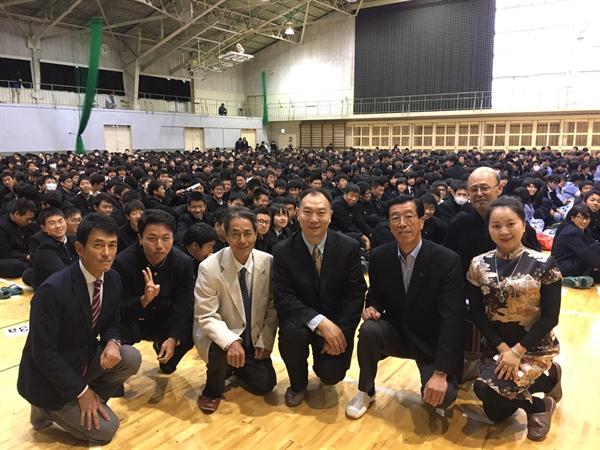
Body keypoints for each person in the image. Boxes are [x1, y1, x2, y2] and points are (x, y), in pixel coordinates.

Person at [17, 214, 142, 444]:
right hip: (47, 376)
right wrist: (81, 392)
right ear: (79, 248)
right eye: (98, 245)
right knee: (108, 429)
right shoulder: (53, 290)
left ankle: (83, 400)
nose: (107, 253)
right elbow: (43, 354)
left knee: (130, 357)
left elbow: (113, 321)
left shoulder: (112, 278)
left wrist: (113, 342)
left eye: (112, 245)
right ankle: (47, 406)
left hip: (80, 359)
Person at [346, 196, 464, 419]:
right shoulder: (380, 256)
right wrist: (371, 307)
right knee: (369, 330)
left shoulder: (446, 260)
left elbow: (452, 319)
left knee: (443, 397)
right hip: (398, 333)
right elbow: (375, 295)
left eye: (409, 216)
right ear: (390, 225)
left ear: (422, 221)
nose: (402, 223)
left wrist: (440, 373)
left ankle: (436, 377)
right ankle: (365, 390)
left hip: (431, 340)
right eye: (395, 218)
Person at [467, 197, 562, 441]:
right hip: (496, 347)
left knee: (486, 390)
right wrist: (503, 349)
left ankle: (540, 403)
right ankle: (544, 385)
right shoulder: (478, 264)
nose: (504, 231)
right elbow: (476, 312)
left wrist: (518, 352)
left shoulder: (544, 263)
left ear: (524, 225)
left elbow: (550, 318)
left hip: (533, 347)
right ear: (488, 229)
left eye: (511, 224)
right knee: (495, 411)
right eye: (496, 225)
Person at [273, 188, 367, 407]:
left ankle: (324, 360)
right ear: (297, 214)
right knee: (290, 333)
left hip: (337, 321)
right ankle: (298, 384)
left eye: (321, 212)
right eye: (307, 212)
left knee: (331, 375)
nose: (314, 219)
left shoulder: (349, 247)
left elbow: (355, 294)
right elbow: (284, 297)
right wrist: (320, 323)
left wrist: (340, 331)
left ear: (331, 215)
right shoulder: (282, 250)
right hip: (302, 321)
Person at [194, 208, 277, 413]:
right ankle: (211, 390)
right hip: (220, 334)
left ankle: (235, 366)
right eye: (235, 234)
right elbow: (206, 314)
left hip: (252, 337)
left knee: (265, 384)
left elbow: (273, 306)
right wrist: (230, 341)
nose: (242, 240)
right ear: (225, 235)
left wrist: (266, 339)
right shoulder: (209, 267)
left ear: (256, 234)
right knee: (219, 350)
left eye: (248, 233)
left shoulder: (268, 262)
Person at [113, 209, 195, 374]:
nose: (159, 245)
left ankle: (165, 352)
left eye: (166, 238)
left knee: (191, 329)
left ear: (173, 238)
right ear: (140, 238)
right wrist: (144, 299)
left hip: (164, 318)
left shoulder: (183, 263)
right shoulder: (123, 262)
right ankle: (115, 377)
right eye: (151, 238)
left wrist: (173, 337)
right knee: (114, 335)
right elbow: (117, 307)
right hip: (134, 319)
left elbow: (184, 303)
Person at [551, 203, 600, 282]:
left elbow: (593, 245)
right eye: (581, 218)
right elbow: (585, 253)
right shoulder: (571, 232)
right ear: (572, 218)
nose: (584, 221)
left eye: (587, 218)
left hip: (572, 260)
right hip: (564, 265)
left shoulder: (583, 229)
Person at [31, 207, 77, 290]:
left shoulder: (73, 240)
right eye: (52, 223)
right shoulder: (45, 248)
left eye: (60, 221)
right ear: (44, 228)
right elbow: (63, 274)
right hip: (53, 289)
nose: (58, 226)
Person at [0, 198, 38, 278]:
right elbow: (4, 252)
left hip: (24, 255)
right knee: (17, 265)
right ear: (16, 214)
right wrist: (26, 256)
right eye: (27, 219)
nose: (30, 221)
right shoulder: (2, 226)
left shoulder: (26, 224)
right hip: (8, 258)